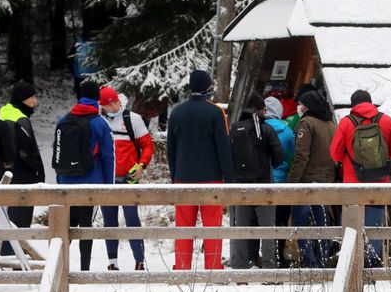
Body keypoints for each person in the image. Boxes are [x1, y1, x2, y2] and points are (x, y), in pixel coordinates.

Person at [167, 69, 235, 270]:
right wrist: (229, 181)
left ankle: (182, 267)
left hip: (183, 178)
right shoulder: (215, 112)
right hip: (211, 179)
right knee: (212, 227)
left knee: (183, 227)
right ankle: (213, 268)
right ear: (208, 88)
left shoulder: (177, 113)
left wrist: (174, 178)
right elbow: (224, 149)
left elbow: (171, 150)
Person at [330, 89, 391, 267]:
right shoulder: (385, 120)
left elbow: (335, 153)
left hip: (353, 181)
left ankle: (352, 262)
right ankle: (373, 262)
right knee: (374, 223)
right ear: (371, 103)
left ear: (353, 104)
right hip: (379, 181)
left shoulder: (347, 123)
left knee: (352, 223)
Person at [53, 80, 115, 270]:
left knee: (66, 227)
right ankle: (84, 271)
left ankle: (58, 268)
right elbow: (107, 157)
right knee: (85, 227)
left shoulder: (63, 121)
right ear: (97, 98)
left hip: (66, 183)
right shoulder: (100, 123)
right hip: (90, 183)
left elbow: (57, 152)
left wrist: (60, 180)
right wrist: (109, 186)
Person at [228, 93, 285, 269]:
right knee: (268, 229)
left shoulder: (235, 129)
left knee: (241, 229)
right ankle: (270, 269)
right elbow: (278, 157)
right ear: (262, 111)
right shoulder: (267, 130)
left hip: (241, 187)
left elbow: (229, 157)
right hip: (264, 186)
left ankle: (239, 268)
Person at [99, 86, 154, 271]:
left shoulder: (133, 119)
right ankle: (112, 262)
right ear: (102, 106)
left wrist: (142, 165)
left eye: (115, 103)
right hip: (108, 179)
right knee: (109, 220)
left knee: (132, 218)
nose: (113, 107)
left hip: (129, 177)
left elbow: (147, 145)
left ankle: (139, 260)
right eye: (108, 105)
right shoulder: (100, 121)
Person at [288, 89, 338, 268]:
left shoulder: (306, 124)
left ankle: (311, 263)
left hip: (307, 183)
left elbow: (301, 156)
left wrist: (292, 182)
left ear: (306, 106)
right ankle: (322, 260)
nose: (298, 107)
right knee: (323, 222)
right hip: (327, 181)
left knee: (300, 224)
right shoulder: (331, 125)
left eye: (300, 103)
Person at [0, 80, 45, 236]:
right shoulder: (21, 120)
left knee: (6, 221)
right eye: (32, 97)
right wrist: (39, 172)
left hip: (4, 175)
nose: (35, 101)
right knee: (20, 223)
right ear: (22, 99)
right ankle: (15, 257)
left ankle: (6, 255)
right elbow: (28, 150)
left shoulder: (3, 114)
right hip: (23, 177)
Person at [264, 95, 296, 266]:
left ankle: (267, 255)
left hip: (263, 181)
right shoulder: (287, 131)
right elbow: (293, 155)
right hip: (282, 181)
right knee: (282, 219)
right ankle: (281, 255)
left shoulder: (258, 128)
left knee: (264, 220)